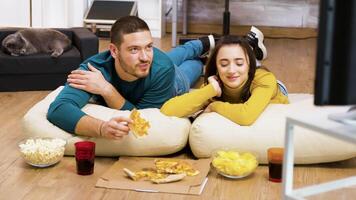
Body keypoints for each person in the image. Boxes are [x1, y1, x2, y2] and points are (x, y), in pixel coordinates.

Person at [47, 16, 214, 139]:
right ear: (113, 51)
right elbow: (58, 109)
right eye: (134, 49)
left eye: (149, 47)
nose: (145, 56)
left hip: (175, 83)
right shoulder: (94, 70)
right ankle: (200, 51)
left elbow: (143, 117)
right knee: (167, 59)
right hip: (159, 67)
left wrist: (107, 90)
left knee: (191, 67)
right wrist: (101, 128)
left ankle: (198, 47)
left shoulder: (162, 69)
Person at [160, 30, 289, 126]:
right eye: (224, 64)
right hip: (245, 72)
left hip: (276, 88)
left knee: (252, 69)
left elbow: (246, 116)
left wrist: (214, 106)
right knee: (232, 61)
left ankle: (251, 52)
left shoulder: (264, 79)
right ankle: (246, 49)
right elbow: (167, 111)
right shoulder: (216, 83)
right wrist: (209, 90)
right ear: (216, 66)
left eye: (239, 63)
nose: (231, 70)